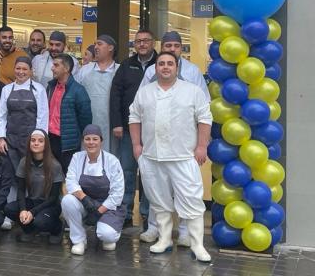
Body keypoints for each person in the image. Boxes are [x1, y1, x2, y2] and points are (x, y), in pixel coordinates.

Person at [129, 51, 212, 263]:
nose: (165, 67)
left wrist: (202, 146)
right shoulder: (145, 92)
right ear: (155, 68)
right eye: (161, 64)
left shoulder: (192, 91)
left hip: (183, 157)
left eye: (170, 64)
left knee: (192, 201)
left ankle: (198, 245)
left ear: (177, 67)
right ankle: (164, 239)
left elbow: (204, 118)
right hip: (152, 157)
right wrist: (136, 145)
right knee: (159, 202)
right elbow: (134, 117)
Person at [109, 30, 157, 229]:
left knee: (149, 173)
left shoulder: (160, 64)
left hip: (154, 131)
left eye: (146, 41)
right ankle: (126, 212)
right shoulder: (126, 66)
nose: (142, 44)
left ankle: (147, 213)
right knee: (127, 171)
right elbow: (115, 95)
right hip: (129, 129)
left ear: (153, 43)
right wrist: (117, 123)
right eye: (138, 41)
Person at [0, 56, 49, 230]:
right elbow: (1, 116)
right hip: (10, 140)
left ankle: (31, 212)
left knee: (31, 178)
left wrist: (39, 141)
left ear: (31, 71)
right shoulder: (6, 89)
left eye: (24, 69)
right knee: (11, 177)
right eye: (18, 68)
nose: (20, 72)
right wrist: (1, 137)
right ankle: (11, 214)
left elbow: (42, 117)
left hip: (30, 141)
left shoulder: (39, 90)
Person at [61, 124, 126, 255]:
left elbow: (117, 194)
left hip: (107, 206)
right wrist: (84, 199)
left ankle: (107, 231)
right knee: (67, 200)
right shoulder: (77, 158)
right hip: (86, 202)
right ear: (83, 141)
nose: (91, 143)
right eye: (87, 139)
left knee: (107, 237)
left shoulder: (112, 161)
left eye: (95, 139)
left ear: (101, 141)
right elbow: (70, 182)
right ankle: (79, 240)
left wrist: (98, 212)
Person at [4, 129, 64, 244]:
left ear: (46, 144)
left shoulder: (55, 165)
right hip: (32, 201)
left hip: (49, 204)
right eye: (33, 140)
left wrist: (32, 212)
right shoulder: (24, 162)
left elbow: (54, 197)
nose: (36, 143)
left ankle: (57, 229)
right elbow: (21, 190)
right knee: (9, 209)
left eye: (40, 141)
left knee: (40, 221)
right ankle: (30, 230)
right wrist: (23, 210)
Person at [46, 53, 92, 173]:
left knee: (69, 177)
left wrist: (79, 137)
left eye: (56, 65)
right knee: (51, 176)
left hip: (68, 143)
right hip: (50, 139)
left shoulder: (78, 90)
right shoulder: (50, 87)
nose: (52, 68)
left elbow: (85, 118)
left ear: (66, 69)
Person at [76, 34, 119, 152]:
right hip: (87, 122)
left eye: (99, 44)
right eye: (95, 44)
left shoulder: (119, 71)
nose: (95, 47)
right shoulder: (84, 70)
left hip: (111, 125)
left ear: (110, 48)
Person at [139, 31, 209, 100]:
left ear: (181, 48)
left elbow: (204, 99)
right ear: (162, 48)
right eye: (168, 45)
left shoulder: (193, 71)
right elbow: (141, 98)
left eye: (177, 46)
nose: (172, 49)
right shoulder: (151, 71)